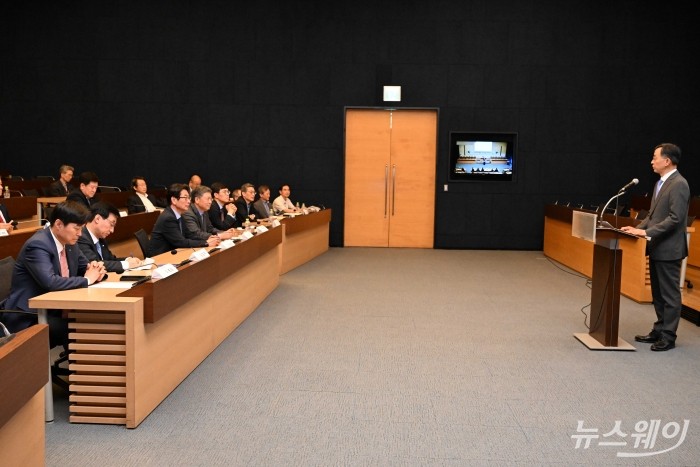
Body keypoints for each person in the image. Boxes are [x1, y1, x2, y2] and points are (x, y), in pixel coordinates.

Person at [1, 201, 106, 349]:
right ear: (58, 224)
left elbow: (86, 267)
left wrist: (97, 269)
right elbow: (50, 282)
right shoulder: (38, 245)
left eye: (81, 229)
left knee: (94, 319)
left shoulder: (70, 243)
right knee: (81, 326)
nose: (80, 234)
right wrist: (88, 279)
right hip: (29, 316)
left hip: (54, 308)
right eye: (76, 228)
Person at [621, 143, 691, 352]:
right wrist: (635, 228)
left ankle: (668, 336)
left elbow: (676, 219)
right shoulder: (660, 183)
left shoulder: (679, 184)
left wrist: (645, 232)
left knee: (670, 295)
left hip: (670, 249)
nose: (652, 161)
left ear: (667, 161)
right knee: (658, 294)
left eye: (655, 157)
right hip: (657, 247)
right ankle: (659, 330)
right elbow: (652, 216)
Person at [146, 183, 217, 257]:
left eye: (189, 198)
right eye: (185, 198)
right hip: (159, 257)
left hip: (173, 254)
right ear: (174, 200)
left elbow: (189, 234)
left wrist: (208, 237)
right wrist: (205, 243)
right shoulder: (168, 218)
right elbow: (181, 242)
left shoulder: (179, 215)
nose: (189, 201)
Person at [78, 202, 142, 273]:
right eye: (111, 224)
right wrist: (127, 264)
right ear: (97, 219)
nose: (112, 230)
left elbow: (110, 260)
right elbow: (95, 264)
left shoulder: (101, 239)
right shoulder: (81, 237)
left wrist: (128, 260)